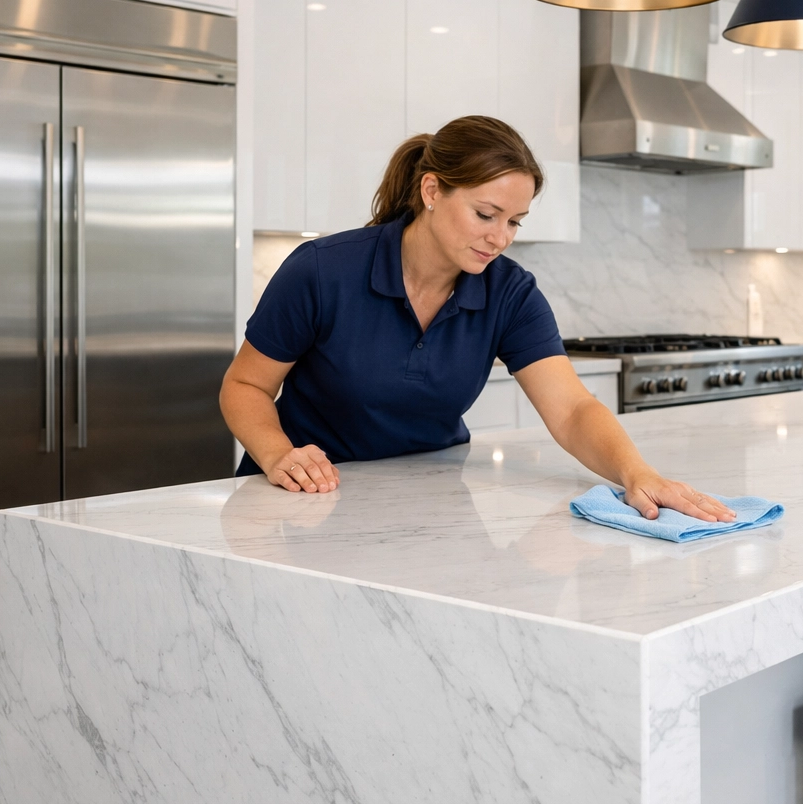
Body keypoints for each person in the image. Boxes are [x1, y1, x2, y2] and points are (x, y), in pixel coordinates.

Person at [220, 116, 735, 523]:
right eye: (486, 214)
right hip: (305, 502)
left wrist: (636, 472)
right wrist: (277, 454)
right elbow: (244, 385)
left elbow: (572, 409)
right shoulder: (322, 271)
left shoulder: (509, 292)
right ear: (431, 192)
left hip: (433, 502)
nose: (501, 237)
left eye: (514, 221)